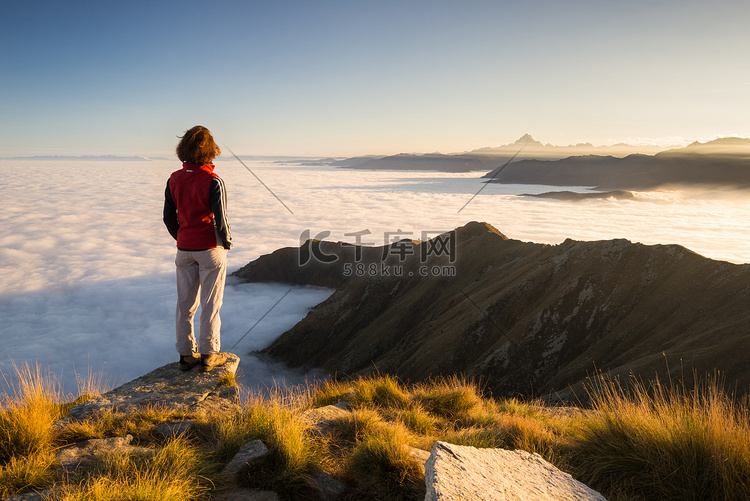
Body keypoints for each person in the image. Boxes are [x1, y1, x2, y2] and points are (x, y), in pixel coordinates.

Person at [163, 126, 232, 372]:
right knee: (211, 303)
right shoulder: (213, 181)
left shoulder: (173, 179)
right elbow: (221, 219)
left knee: (185, 304)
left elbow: (168, 217)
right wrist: (227, 242)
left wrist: (182, 237)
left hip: (184, 249)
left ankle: (185, 355)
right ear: (210, 150)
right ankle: (209, 354)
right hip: (209, 248)